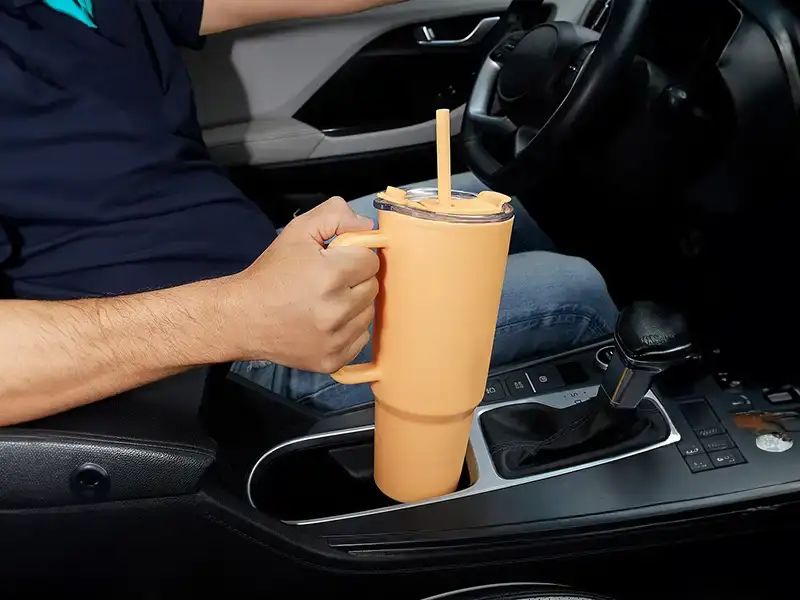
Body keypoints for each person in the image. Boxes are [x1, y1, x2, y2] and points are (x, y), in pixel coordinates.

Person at [0, 0, 617, 426]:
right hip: (210, 364)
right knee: (576, 291)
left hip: (267, 264)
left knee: (511, 204)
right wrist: (241, 314)